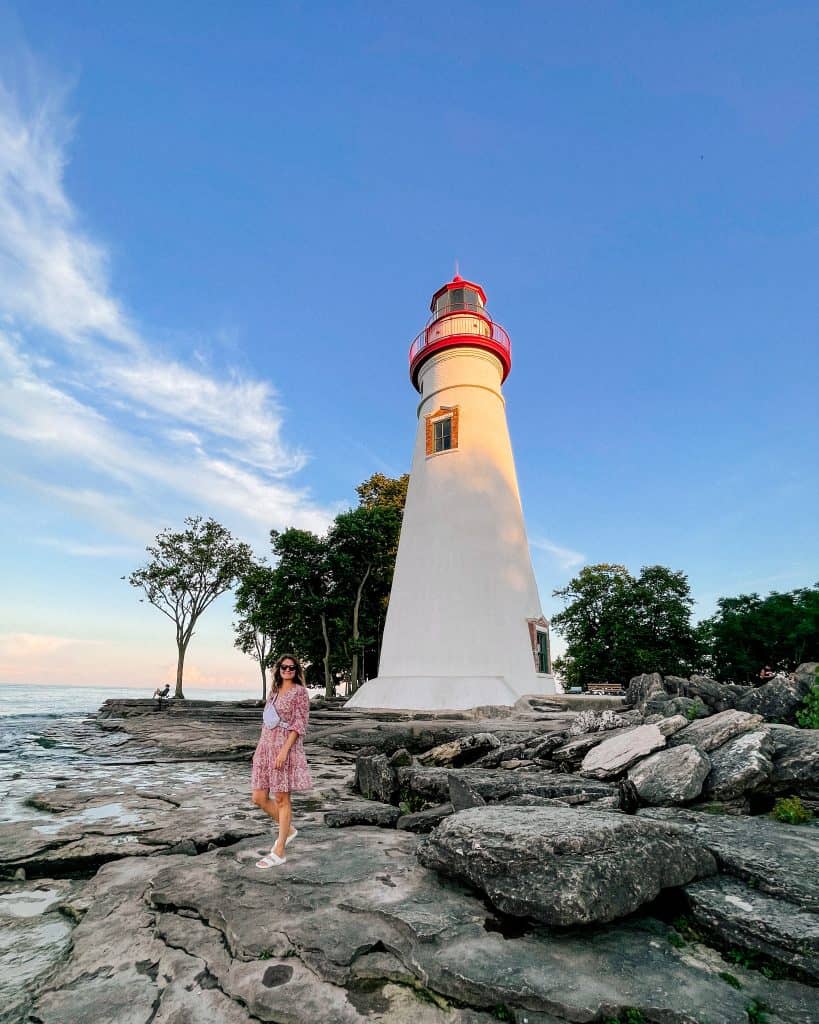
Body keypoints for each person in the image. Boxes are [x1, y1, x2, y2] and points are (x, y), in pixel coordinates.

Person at [251, 654, 313, 867]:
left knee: (281, 799)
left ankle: (280, 851)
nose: (288, 670)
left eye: (292, 667)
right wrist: (259, 749)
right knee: (258, 797)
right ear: (278, 669)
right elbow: (267, 722)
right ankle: (290, 830)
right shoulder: (275, 691)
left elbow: (299, 724)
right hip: (265, 748)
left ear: (297, 671)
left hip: (284, 749)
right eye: (284, 667)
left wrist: (284, 751)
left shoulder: (300, 692)